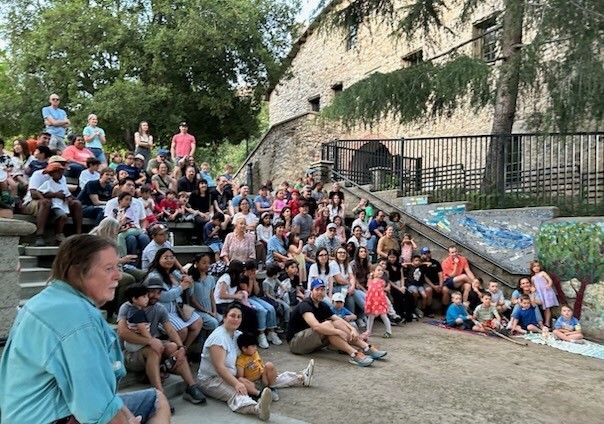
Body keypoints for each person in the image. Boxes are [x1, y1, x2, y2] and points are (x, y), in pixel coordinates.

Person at [0, 234, 170, 423]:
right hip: (52, 417)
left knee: (156, 399)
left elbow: (100, 391)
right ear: (77, 272)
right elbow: (97, 410)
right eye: (109, 268)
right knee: (157, 402)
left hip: (28, 414)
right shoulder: (77, 318)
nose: (118, 275)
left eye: (117, 267)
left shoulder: (48, 299)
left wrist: (128, 416)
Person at [118, 276, 207, 405]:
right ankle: (160, 395)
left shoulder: (159, 308)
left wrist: (181, 348)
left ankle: (191, 386)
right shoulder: (128, 307)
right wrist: (149, 341)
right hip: (131, 352)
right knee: (153, 351)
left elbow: (170, 330)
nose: (155, 296)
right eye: (152, 292)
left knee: (173, 347)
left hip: (151, 345)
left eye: (159, 292)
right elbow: (122, 332)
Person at [196, 304, 273, 421]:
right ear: (224, 317)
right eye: (232, 316)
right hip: (211, 380)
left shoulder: (237, 334)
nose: (236, 319)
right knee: (237, 393)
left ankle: (298, 378)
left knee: (264, 371)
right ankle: (258, 409)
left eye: (239, 316)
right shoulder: (218, 338)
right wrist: (236, 383)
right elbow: (219, 367)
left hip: (235, 374)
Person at [286, 278, 387, 367]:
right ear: (311, 291)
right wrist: (338, 332)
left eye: (322, 290)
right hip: (296, 344)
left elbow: (338, 319)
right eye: (317, 289)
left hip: (311, 342)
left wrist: (352, 329)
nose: (320, 292)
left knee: (335, 323)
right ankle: (353, 354)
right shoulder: (305, 305)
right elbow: (316, 326)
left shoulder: (323, 306)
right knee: (328, 326)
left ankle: (366, 348)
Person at [144, 248, 203, 350]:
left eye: (171, 257)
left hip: (179, 308)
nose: (169, 260)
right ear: (158, 259)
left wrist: (189, 283)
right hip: (164, 310)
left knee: (198, 322)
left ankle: (183, 351)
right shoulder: (154, 276)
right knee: (182, 330)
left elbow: (188, 291)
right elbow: (163, 296)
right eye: (165, 257)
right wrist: (181, 287)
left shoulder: (175, 273)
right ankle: (171, 353)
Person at [236, 332, 315, 402]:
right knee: (240, 380)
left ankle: (274, 387)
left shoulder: (255, 353)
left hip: (264, 379)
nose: (255, 348)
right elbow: (240, 379)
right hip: (254, 384)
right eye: (253, 346)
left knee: (270, 366)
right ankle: (260, 394)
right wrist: (257, 375)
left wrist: (269, 372)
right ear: (244, 348)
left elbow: (262, 366)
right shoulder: (241, 361)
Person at [37, 161, 83, 244]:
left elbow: (68, 194)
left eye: (61, 172)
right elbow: (39, 192)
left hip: (63, 205)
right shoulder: (48, 183)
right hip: (55, 205)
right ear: (51, 174)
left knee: (75, 205)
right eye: (58, 172)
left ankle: (77, 232)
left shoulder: (62, 184)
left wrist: (69, 199)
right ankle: (58, 234)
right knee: (63, 216)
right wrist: (48, 197)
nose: (60, 174)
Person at [188, 252, 222, 331]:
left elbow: (212, 297)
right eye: (204, 263)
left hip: (209, 310)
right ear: (197, 263)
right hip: (197, 311)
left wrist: (214, 311)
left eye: (208, 263)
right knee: (213, 322)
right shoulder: (191, 280)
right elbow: (193, 300)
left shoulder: (210, 278)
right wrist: (207, 311)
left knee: (222, 319)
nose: (207, 265)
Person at [363, 265, 392, 339]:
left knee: (384, 316)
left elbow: (383, 289)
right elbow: (368, 286)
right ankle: (368, 331)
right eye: (378, 270)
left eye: (381, 270)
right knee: (371, 316)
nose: (381, 272)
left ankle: (389, 331)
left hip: (380, 301)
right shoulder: (371, 281)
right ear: (373, 272)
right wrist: (370, 276)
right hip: (372, 301)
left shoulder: (382, 281)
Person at [122, 284, 153, 353]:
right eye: (144, 296)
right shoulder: (138, 313)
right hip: (134, 344)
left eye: (147, 296)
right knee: (157, 346)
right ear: (134, 299)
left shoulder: (132, 310)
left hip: (131, 343)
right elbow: (142, 329)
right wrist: (151, 340)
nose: (147, 299)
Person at [529, 260, 558, 327]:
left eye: (538, 266)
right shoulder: (533, 278)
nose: (536, 268)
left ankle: (547, 323)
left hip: (546, 292)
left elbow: (549, 280)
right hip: (540, 293)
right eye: (534, 266)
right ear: (532, 268)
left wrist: (549, 285)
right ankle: (543, 322)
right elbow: (533, 286)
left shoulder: (542, 273)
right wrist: (532, 289)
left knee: (547, 308)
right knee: (544, 307)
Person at [420, 247, 448, 312]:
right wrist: (433, 286)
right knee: (428, 290)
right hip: (427, 283)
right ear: (421, 255)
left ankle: (444, 309)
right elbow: (424, 277)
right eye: (425, 254)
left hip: (437, 282)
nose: (427, 255)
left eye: (428, 253)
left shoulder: (435, 262)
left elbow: (440, 274)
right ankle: (428, 309)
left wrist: (440, 285)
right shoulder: (421, 264)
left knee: (446, 290)